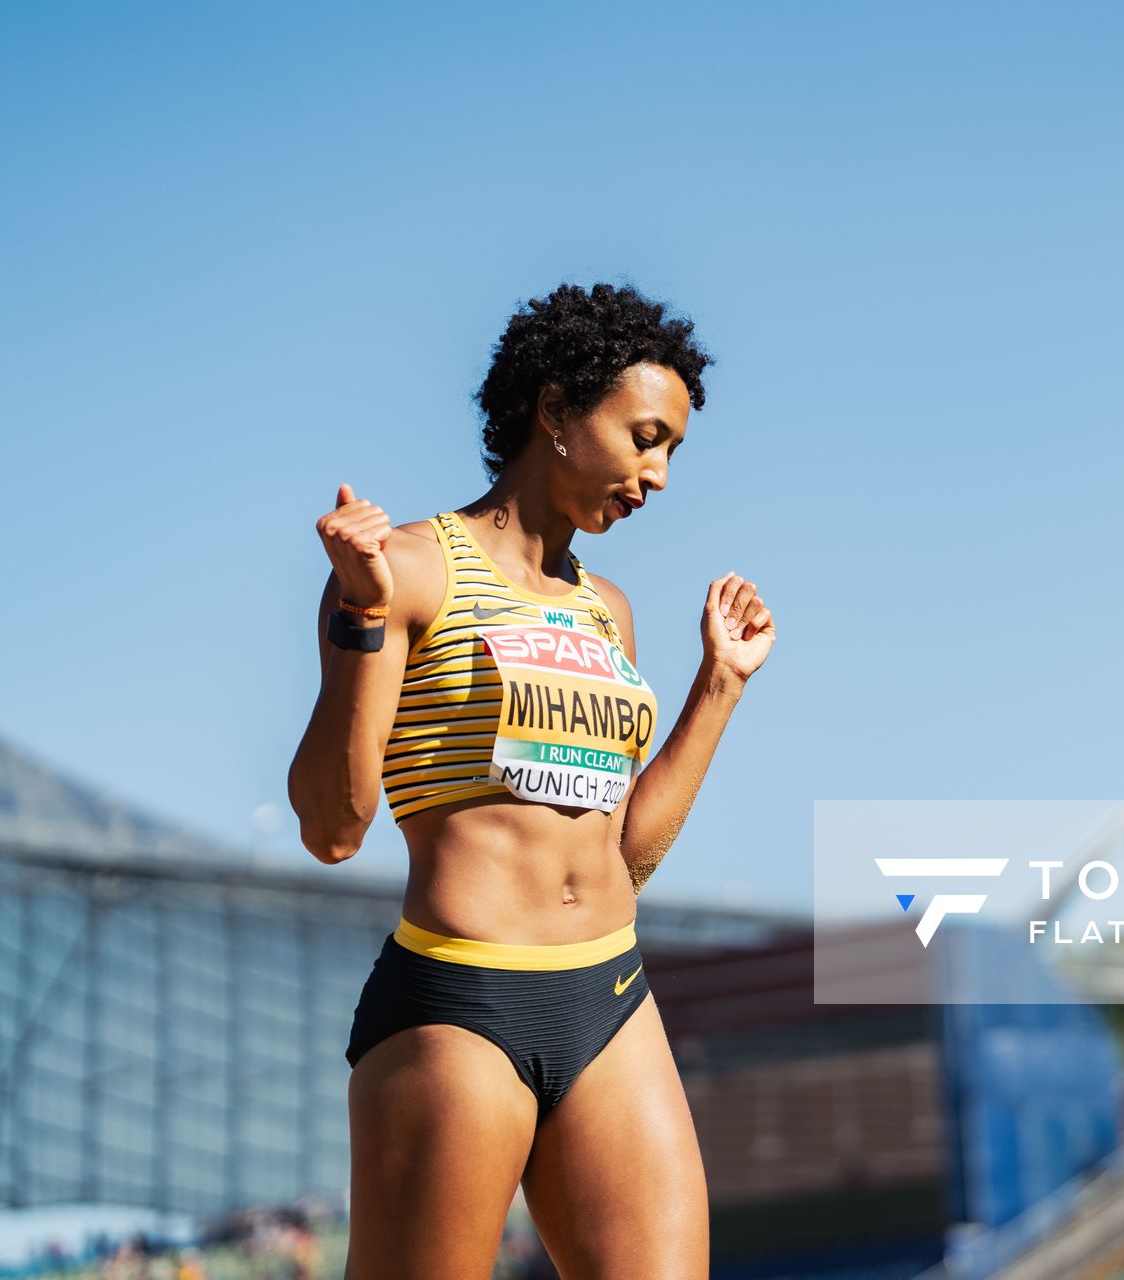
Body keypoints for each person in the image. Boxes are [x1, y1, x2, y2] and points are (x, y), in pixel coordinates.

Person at [287, 281, 774, 1279]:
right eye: (645, 437)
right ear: (554, 411)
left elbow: (620, 852)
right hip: (459, 1006)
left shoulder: (611, 612)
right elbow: (333, 827)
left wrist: (718, 684)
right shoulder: (412, 569)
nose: (661, 473)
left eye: (673, 448)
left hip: (610, 995)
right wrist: (359, 617)